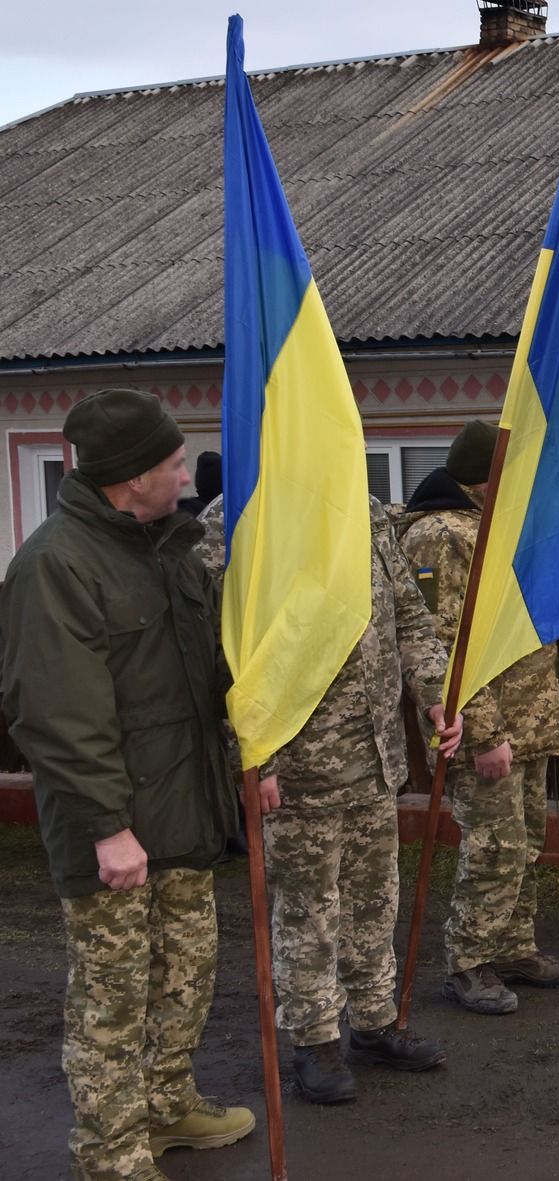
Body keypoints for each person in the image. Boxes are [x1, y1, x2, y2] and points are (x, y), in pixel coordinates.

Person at [1, 390, 255, 1179]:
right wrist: (109, 827)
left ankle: (166, 1105)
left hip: (184, 812)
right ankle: (110, 1153)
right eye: (174, 463)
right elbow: (57, 713)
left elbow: (204, 674)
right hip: (115, 832)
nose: (187, 475)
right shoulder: (56, 565)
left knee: (184, 976)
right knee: (113, 999)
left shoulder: (168, 549)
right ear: (131, 477)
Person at [195, 493, 462, 1103]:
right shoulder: (243, 510)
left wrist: (435, 693)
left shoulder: (363, 510)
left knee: (374, 897)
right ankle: (314, 1038)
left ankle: (374, 1021)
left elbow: (409, 615)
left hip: (374, 753)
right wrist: (252, 756)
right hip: (296, 762)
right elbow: (221, 644)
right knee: (307, 909)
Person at [400, 421, 559, 1001]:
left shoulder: (507, 526)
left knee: (524, 845)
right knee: (493, 848)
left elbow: (547, 612)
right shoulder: (443, 536)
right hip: (487, 729)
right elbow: (443, 646)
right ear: (486, 476)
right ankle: (469, 960)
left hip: (530, 722)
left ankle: (513, 947)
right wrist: (484, 734)